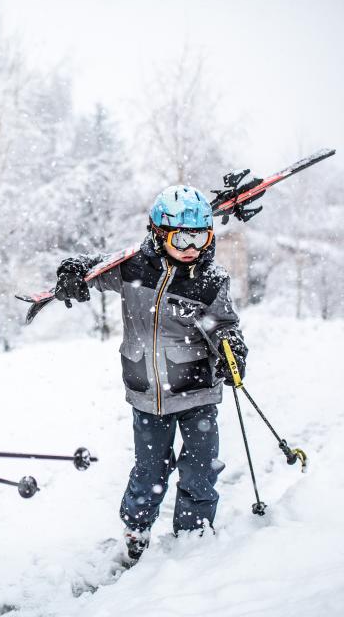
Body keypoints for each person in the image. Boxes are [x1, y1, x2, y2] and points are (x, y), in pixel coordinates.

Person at [54, 185, 247, 565]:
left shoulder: (209, 279)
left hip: (197, 391)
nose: (193, 246)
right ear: (159, 234)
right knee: (149, 469)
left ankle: (192, 537)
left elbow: (225, 325)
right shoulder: (133, 268)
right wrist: (74, 271)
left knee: (199, 468)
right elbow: (92, 269)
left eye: (201, 236)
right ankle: (137, 529)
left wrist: (232, 350)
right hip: (147, 393)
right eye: (182, 236)